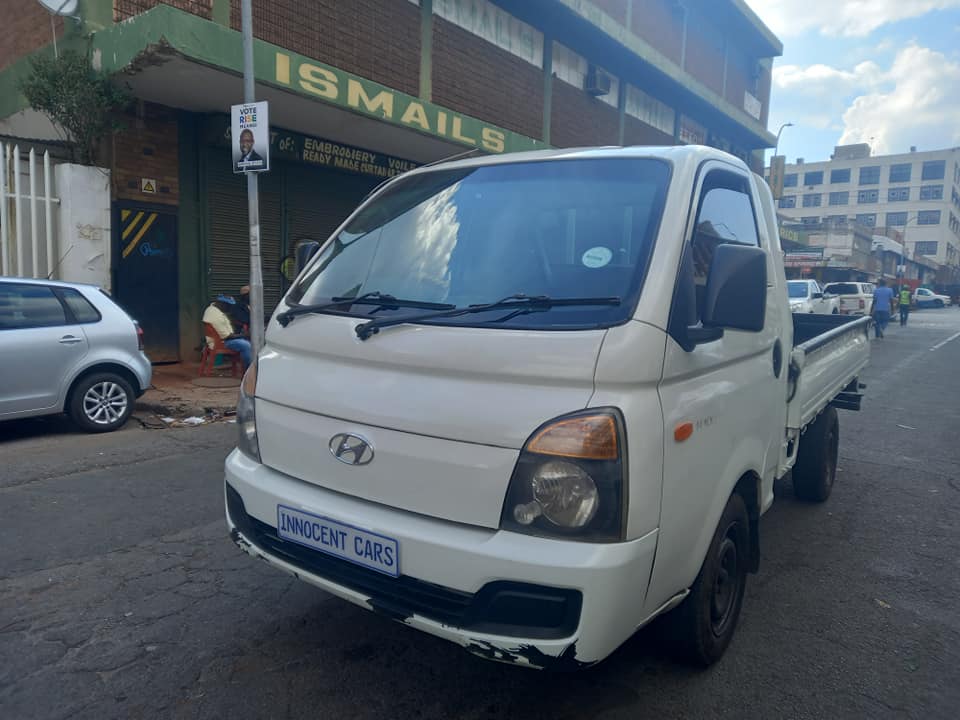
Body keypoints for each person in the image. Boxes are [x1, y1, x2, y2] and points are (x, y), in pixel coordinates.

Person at [202, 295, 252, 368]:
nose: (230, 308)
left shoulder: (211, 309)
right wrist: (245, 335)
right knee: (246, 345)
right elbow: (227, 336)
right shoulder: (217, 316)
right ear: (221, 303)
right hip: (222, 342)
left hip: (218, 339)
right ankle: (248, 369)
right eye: (228, 305)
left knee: (246, 340)